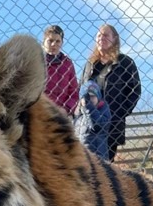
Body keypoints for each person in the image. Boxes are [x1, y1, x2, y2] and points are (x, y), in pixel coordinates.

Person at [80, 24, 141, 162]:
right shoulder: (90, 64)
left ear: (115, 39)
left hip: (112, 122)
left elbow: (135, 91)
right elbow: (81, 88)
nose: (102, 38)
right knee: (88, 162)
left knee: (107, 164)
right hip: (89, 121)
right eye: (99, 35)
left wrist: (119, 113)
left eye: (106, 35)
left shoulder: (125, 63)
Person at [42, 25, 78, 116]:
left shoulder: (67, 64)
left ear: (62, 43)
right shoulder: (37, 62)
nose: (54, 44)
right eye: (50, 41)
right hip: (40, 111)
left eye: (57, 41)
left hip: (62, 113)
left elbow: (73, 92)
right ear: (44, 43)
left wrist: (66, 109)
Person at [73, 80, 111, 160]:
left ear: (98, 98)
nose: (90, 99)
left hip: (98, 156)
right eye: (87, 97)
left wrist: (88, 107)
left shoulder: (103, 109)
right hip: (82, 155)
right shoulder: (78, 113)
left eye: (93, 96)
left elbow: (96, 126)